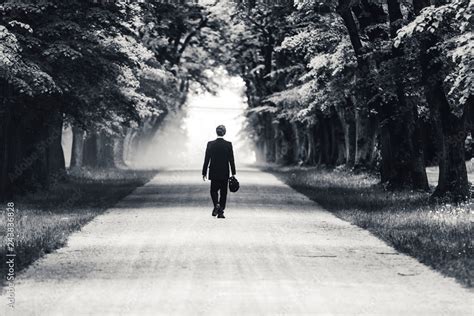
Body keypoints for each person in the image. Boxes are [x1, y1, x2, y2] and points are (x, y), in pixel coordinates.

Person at [202, 125, 236, 219]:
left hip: (213, 172)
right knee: (223, 193)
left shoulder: (210, 144)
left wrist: (204, 172)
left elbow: (206, 159)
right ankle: (221, 212)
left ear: (216, 132)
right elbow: (231, 159)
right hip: (225, 172)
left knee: (213, 191)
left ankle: (216, 204)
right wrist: (233, 172)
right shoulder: (228, 144)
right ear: (224, 133)